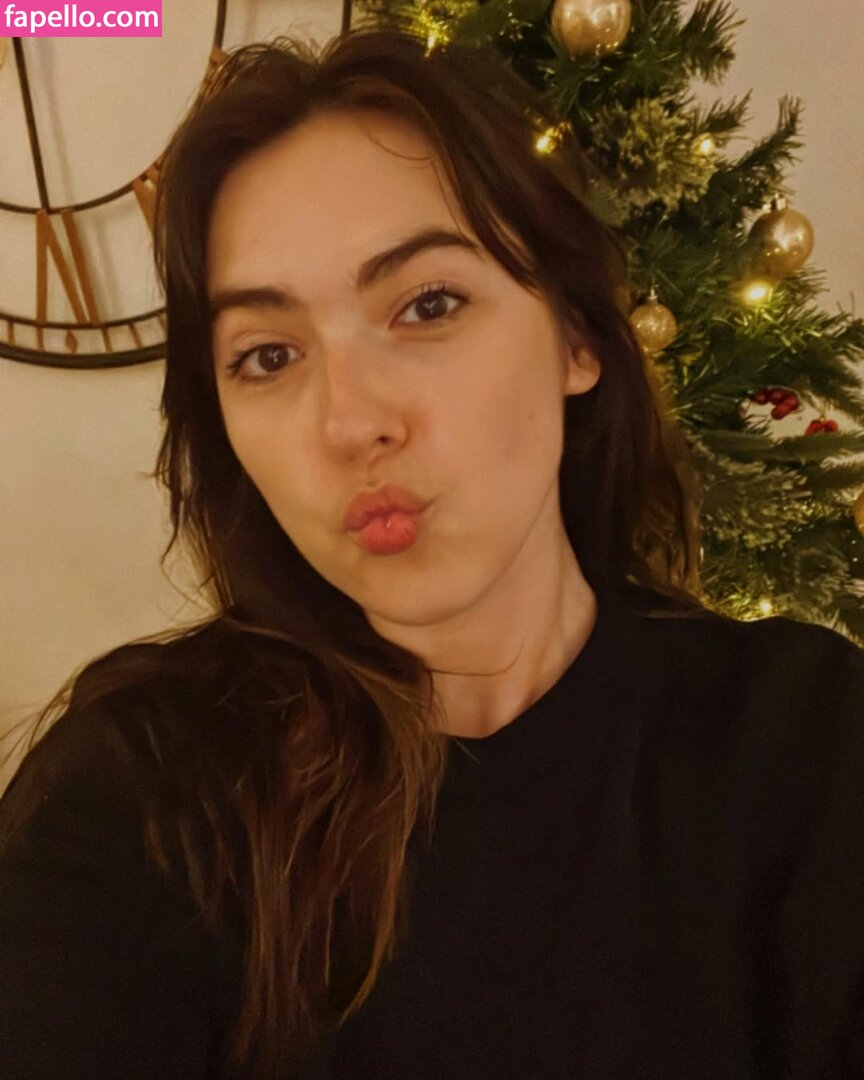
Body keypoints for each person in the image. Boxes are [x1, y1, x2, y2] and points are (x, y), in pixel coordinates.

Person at [1, 25, 863, 1080]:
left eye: (428, 305)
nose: (350, 422)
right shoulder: (137, 791)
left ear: (577, 337)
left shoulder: (809, 746)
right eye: (267, 356)